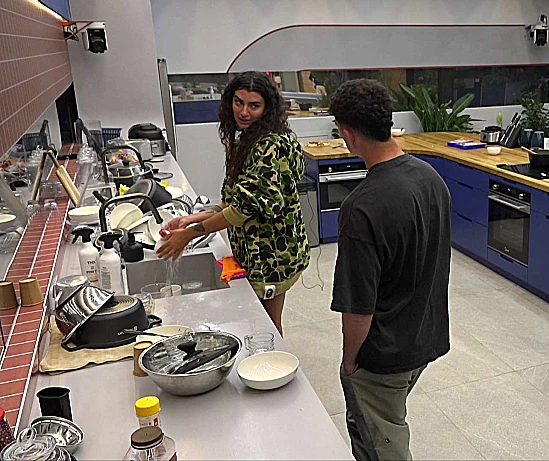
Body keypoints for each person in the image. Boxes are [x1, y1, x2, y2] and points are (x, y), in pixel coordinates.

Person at [329, 79, 451, 461]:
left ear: (349, 134)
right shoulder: (431, 179)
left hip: (384, 356)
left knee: (381, 444)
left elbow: (358, 308)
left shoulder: (361, 207)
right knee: (384, 422)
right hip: (423, 338)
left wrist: (350, 360)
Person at [157, 71, 309, 336]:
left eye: (254, 105)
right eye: (239, 102)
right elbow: (233, 200)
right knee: (261, 323)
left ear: (267, 108)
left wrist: (190, 234)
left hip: (272, 256)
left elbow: (242, 209)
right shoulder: (246, 139)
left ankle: (274, 362)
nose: (244, 112)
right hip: (257, 254)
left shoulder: (271, 147)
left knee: (268, 327)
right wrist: (193, 218)